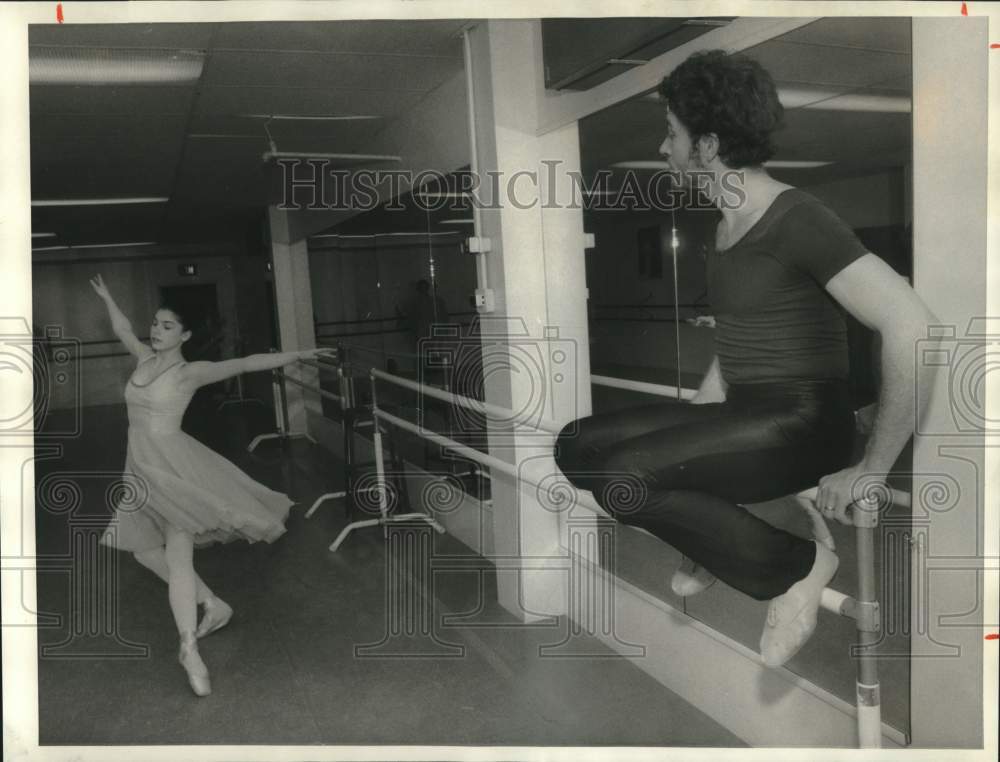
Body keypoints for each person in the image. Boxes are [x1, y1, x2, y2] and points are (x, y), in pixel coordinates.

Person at [554, 50, 938, 668]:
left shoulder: (797, 219)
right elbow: (738, 343)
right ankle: (714, 544)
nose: (662, 147)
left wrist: (874, 467)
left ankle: (799, 567)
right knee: (576, 446)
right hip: (749, 412)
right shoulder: (725, 227)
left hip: (805, 424)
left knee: (626, 479)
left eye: (671, 134)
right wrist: (692, 427)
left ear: (706, 147)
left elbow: (913, 325)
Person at [90, 274, 332, 696]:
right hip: (140, 467)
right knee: (146, 552)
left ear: (184, 335)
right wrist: (109, 296)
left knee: (177, 555)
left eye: (167, 326)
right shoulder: (142, 358)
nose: (156, 330)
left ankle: (188, 648)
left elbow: (246, 363)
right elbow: (123, 329)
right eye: (156, 322)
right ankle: (213, 603)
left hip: (176, 469)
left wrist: (300, 353)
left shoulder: (190, 372)